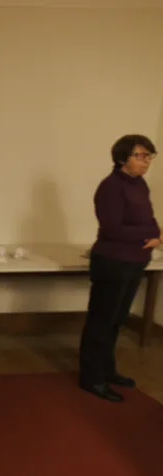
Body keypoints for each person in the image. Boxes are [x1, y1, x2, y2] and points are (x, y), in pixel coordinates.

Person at [79, 134, 159, 402]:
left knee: (116, 320)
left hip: (135, 261)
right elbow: (112, 229)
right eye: (139, 155)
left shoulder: (140, 184)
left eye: (149, 155)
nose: (146, 161)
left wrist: (155, 234)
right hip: (113, 262)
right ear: (122, 158)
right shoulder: (111, 187)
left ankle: (107, 370)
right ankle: (91, 378)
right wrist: (151, 234)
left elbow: (148, 220)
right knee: (101, 321)